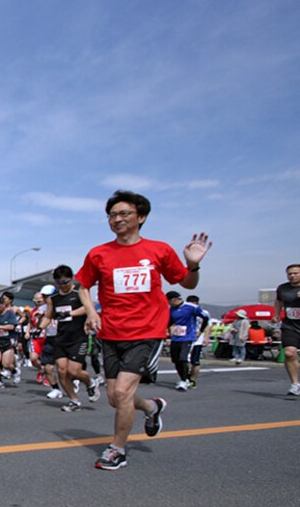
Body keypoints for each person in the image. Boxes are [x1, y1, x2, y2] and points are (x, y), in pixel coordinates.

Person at [76, 190, 211, 470]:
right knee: (115, 398)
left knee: (123, 392)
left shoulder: (158, 250)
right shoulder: (98, 253)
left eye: (124, 213)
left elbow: (188, 284)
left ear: (141, 217)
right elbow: (84, 286)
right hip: (111, 333)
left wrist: (193, 264)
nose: (117, 219)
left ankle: (117, 449)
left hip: (147, 331)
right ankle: (151, 407)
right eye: (112, 215)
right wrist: (91, 312)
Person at [38, 265, 101, 411]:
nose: (63, 285)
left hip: (78, 337)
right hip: (61, 338)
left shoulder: (79, 292)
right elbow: (48, 316)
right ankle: (74, 400)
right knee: (61, 370)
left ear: (71, 279)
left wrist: (70, 314)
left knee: (74, 371)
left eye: (65, 282)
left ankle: (90, 382)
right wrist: (40, 328)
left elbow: (88, 308)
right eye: (59, 283)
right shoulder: (53, 298)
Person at [166, 291, 209, 390]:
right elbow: (170, 322)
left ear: (174, 300)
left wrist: (200, 331)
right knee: (176, 360)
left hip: (188, 337)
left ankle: (184, 381)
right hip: (176, 337)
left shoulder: (191, 307)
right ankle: (185, 378)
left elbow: (205, 318)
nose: (168, 304)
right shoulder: (172, 309)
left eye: (168, 301)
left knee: (183, 358)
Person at [272, 264, 300, 395]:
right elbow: (278, 301)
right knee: (289, 353)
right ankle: (295, 384)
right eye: (290, 274)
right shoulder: (283, 288)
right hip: (290, 325)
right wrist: (276, 314)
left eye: (295, 273)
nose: (292, 276)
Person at [185, 295, 212, 388]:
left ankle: (193, 380)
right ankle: (186, 377)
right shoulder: (185, 312)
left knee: (195, 361)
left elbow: (208, 326)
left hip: (197, 341)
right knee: (183, 361)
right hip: (185, 339)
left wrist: (206, 338)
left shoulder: (203, 313)